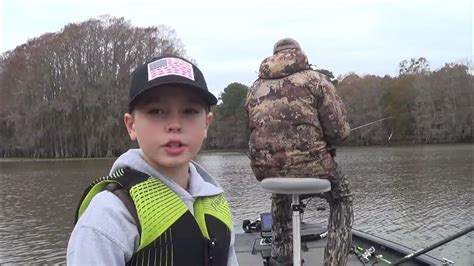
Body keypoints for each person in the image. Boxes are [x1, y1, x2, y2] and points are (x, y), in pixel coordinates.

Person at [67, 55, 239, 266]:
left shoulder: (216, 201)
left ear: (206, 123)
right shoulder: (109, 215)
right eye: (156, 111)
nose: (175, 124)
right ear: (131, 125)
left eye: (189, 111)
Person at [245, 38, 353, 266]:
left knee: (280, 196)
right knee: (342, 200)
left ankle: (282, 256)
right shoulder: (316, 81)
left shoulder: (255, 88)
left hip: (267, 171)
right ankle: (334, 262)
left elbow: (251, 130)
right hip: (315, 167)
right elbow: (340, 131)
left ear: (273, 56)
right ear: (299, 53)